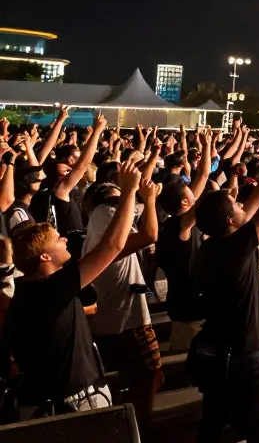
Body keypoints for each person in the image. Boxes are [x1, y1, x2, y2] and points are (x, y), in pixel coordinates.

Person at [3, 155, 142, 417]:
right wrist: (131, 191)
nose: (64, 238)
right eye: (56, 239)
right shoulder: (52, 289)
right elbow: (112, 246)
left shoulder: (25, 290)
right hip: (75, 405)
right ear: (44, 257)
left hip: (47, 402)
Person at [188, 128, 259, 443]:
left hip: (220, 352)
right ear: (230, 223)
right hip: (242, 356)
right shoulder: (235, 247)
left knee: (216, 422)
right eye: (235, 207)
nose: (241, 207)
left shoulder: (212, 246)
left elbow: (256, 201)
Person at [83, 159, 163, 431]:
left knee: (142, 378)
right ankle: (137, 430)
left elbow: (140, 203)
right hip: (126, 322)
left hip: (117, 317)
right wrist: (149, 200)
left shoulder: (104, 215)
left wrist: (144, 182)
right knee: (148, 377)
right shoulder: (106, 215)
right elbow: (149, 234)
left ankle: (129, 425)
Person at [153, 128, 214, 354]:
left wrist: (207, 145)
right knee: (189, 359)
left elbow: (204, 175)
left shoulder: (177, 222)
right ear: (185, 204)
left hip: (187, 305)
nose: (194, 192)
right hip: (188, 307)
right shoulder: (180, 226)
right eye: (190, 193)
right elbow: (204, 184)